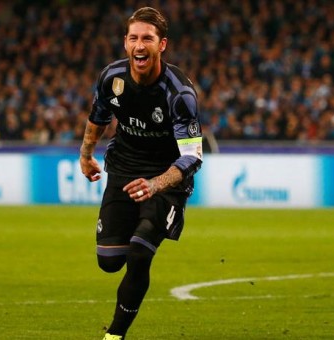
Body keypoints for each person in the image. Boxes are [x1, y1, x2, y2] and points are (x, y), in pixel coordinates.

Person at [79, 7, 202, 340]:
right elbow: (98, 117)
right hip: (123, 168)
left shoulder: (180, 95)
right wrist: (86, 154)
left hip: (167, 178)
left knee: (139, 252)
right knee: (108, 260)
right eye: (134, 37)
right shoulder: (111, 78)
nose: (139, 44)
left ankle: (114, 335)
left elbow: (192, 156)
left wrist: (155, 184)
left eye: (147, 37)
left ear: (161, 45)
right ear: (125, 43)